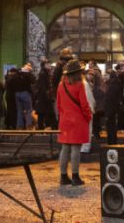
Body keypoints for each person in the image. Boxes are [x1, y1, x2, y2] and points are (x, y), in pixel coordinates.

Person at [56, 59, 92, 187]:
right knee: (76, 148)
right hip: (78, 121)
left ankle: (63, 176)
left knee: (65, 148)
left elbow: (58, 105)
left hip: (65, 120)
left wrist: (63, 115)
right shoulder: (79, 85)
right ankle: (75, 177)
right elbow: (84, 105)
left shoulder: (61, 85)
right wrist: (89, 117)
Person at [50, 48, 74, 129]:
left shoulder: (60, 64)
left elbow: (54, 79)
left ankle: (61, 128)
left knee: (60, 110)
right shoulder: (73, 64)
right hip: (72, 92)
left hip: (60, 91)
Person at [104, 63, 124, 145]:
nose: (104, 77)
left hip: (111, 111)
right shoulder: (114, 83)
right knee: (111, 127)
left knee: (111, 128)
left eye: (106, 75)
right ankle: (112, 142)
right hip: (113, 110)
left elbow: (110, 100)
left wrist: (108, 112)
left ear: (110, 75)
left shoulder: (113, 85)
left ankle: (112, 143)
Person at [13, 63, 36, 129]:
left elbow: (11, 81)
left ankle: (20, 126)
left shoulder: (17, 73)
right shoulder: (28, 74)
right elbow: (34, 81)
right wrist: (29, 73)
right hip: (25, 93)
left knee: (19, 110)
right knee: (29, 110)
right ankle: (28, 126)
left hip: (17, 94)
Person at [34, 59, 54, 129]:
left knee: (42, 114)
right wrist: (48, 97)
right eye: (47, 64)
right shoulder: (43, 74)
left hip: (43, 98)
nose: (49, 65)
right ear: (43, 65)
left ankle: (42, 129)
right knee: (43, 114)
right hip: (43, 98)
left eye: (49, 63)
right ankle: (42, 129)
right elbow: (43, 87)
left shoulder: (45, 73)